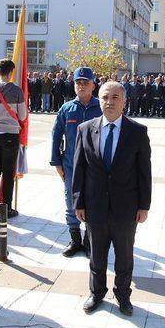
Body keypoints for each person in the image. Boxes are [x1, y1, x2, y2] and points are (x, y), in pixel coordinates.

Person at [72, 81, 151, 316]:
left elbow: (143, 172)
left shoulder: (137, 132)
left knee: (125, 256)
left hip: (126, 208)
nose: (110, 102)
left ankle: (123, 296)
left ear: (124, 101)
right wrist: (79, 202)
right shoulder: (85, 129)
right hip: (95, 207)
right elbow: (79, 169)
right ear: (99, 99)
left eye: (115, 97)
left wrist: (144, 206)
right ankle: (96, 293)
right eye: (105, 97)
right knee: (96, 255)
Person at [50, 67, 102, 257]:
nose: (81, 86)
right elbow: (56, 135)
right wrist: (56, 162)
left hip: (94, 166)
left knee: (92, 202)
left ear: (93, 85)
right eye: (78, 83)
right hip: (70, 164)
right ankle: (75, 239)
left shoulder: (101, 108)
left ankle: (89, 240)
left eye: (85, 83)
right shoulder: (67, 108)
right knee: (70, 202)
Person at [0, 58, 26, 218]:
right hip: (10, 134)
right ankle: (6, 209)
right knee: (8, 173)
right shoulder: (16, 91)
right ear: (11, 72)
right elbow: (22, 115)